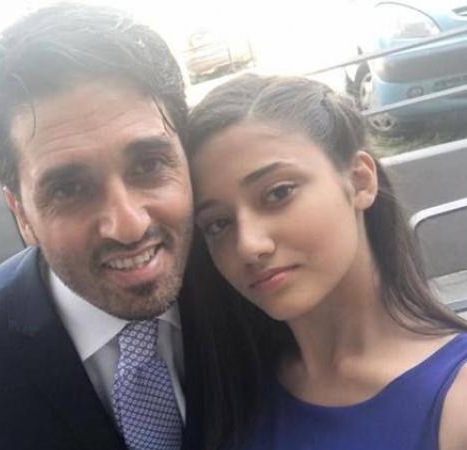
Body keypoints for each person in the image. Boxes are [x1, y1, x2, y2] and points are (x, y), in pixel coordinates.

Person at [0, 4, 259, 450]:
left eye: (149, 164)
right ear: (21, 214)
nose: (128, 225)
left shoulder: (251, 281)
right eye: (69, 189)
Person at [185, 74, 467, 450]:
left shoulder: (455, 402)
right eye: (218, 224)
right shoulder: (228, 388)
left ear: (359, 180)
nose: (248, 246)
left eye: (278, 193)